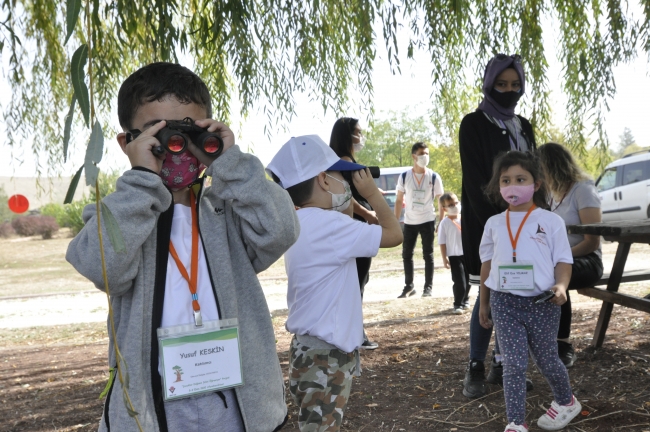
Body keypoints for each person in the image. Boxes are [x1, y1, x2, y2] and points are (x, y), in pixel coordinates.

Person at [66, 62, 299, 432]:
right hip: (152, 413)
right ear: (128, 143)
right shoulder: (120, 213)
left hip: (241, 410)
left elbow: (280, 230)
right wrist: (142, 182)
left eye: (188, 132)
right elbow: (99, 264)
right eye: (158, 133)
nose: (175, 148)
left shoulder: (227, 210)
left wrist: (230, 163)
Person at [266, 135, 403, 431]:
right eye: (342, 176)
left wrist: (344, 198)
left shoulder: (301, 222)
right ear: (324, 181)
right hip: (326, 356)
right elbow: (394, 234)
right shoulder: (332, 227)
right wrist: (373, 194)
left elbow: (341, 216)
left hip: (310, 351)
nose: (348, 184)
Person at [479, 151, 581, 432]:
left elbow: (563, 260)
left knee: (548, 358)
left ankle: (566, 401)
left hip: (543, 303)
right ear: (498, 186)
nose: (512, 185)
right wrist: (484, 303)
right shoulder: (494, 224)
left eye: (520, 179)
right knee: (512, 363)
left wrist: (561, 285)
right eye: (506, 180)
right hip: (504, 302)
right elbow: (487, 264)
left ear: (536, 184)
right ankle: (515, 423)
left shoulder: (551, 222)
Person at [459, 53, 537, 398]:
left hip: (525, 223)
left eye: (515, 85)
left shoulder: (525, 126)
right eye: (502, 85)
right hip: (487, 221)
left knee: (516, 290)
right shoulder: (473, 124)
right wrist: (499, 222)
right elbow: (476, 179)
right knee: (488, 290)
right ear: (490, 85)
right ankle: (476, 365)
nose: (509, 91)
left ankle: (503, 364)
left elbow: (534, 175)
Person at [538, 142, 603, 368]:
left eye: (539, 169)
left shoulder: (583, 190)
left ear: (551, 167)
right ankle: (544, 342)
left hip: (588, 260)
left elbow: (592, 241)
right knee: (538, 275)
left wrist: (560, 258)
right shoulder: (552, 194)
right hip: (562, 260)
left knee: (554, 277)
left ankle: (563, 345)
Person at [330, 117, 379, 350]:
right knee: (356, 281)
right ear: (346, 134)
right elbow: (345, 194)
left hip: (356, 225)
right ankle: (355, 334)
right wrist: (368, 214)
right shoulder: (343, 161)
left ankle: (353, 331)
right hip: (356, 225)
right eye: (357, 132)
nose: (361, 136)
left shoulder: (342, 159)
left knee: (358, 280)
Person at [395, 142, 444, 298]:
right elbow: (398, 200)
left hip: (428, 219)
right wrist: (396, 222)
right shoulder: (404, 176)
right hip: (409, 221)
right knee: (406, 254)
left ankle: (428, 288)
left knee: (428, 254)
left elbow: (440, 199)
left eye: (427, 154)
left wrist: (441, 221)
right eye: (422, 153)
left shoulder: (434, 176)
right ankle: (408, 286)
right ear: (414, 156)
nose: (425, 157)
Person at [438, 192, 470, 314]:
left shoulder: (465, 219)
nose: (455, 206)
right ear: (444, 208)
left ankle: (465, 299)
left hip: (467, 255)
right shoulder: (444, 223)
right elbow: (442, 242)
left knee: (468, 280)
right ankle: (457, 304)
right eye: (450, 205)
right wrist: (444, 258)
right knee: (459, 281)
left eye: (456, 203)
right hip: (454, 256)